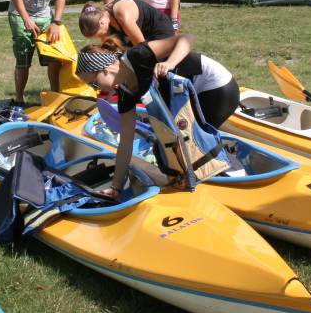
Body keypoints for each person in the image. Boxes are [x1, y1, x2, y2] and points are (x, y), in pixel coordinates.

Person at [75, 35, 239, 199]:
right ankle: (217, 175)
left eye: (94, 84)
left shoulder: (136, 56)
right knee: (168, 156)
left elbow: (187, 38)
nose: (96, 90)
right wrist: (115, 187)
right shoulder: (125, 93)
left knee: (196, 149)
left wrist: (170, 63)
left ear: (105, 70)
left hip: (215, 85)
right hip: (190, 96)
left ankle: (229, 178)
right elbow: (125, 143)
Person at [8, 0, 68, 106]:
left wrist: (56, 22)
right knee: (23, 59)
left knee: (54, 57)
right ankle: (19, 99)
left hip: (45, 16)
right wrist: (26, 19)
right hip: (20, 14)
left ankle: (55, 98)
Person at [78, 0, 173, 47]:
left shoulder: (122, 14)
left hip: (159, 32)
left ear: (102, 23)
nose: (101, 38)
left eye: (99, 35)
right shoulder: (102, 18)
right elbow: (109, 48)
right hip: (143, 36)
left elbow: (142, 48)